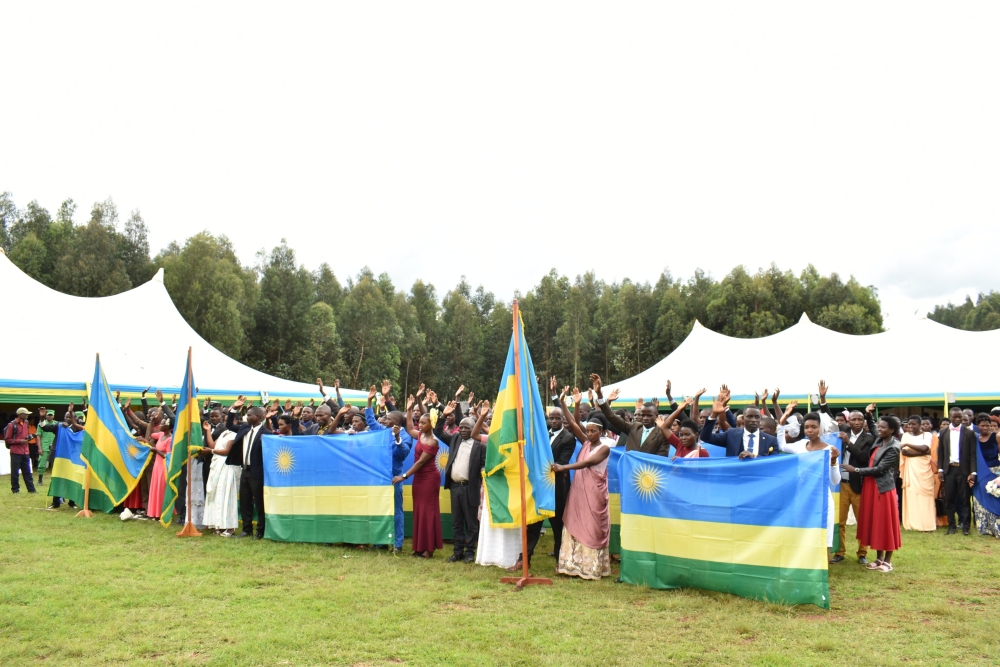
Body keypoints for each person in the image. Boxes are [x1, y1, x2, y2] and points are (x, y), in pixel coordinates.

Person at [552, 392, 611, 580]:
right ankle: (571, 565)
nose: (590, 434)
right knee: (574, 521)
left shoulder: (605, 448)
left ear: (601, 432)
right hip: (578, 490)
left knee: (591, 525)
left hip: (595, 493)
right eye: (588, 431)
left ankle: (590, 567)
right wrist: (564, 403)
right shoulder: (585, 441)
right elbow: (574, 423)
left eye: (594, 431)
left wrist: (564, 467)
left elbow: (588, 463)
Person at [842, 416, 902, 572]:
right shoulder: (880, 439)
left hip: (883, 488)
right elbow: (873, 427)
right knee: (876, 523)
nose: (879, 429)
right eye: (879, 427)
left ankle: (888, 561)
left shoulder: (894, 447)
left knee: (885, 523)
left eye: (883, 427)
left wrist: (855, 470)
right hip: (870, 486)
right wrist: (868, 415)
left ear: (892, 430)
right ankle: (879, 558)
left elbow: (879, 469)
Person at [780, 413, 840, 559]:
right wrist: (781, 424)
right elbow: (781, 445)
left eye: (814, 427)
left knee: (824, 535)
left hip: (822, 499)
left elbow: (835, 480)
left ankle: (823, 567)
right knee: (803, 531)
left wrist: (833, 462)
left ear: (820, 428)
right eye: (806, 427)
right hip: (802, 496)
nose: (810, 430)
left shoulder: (830, 449)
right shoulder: (800, 445)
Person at [393, 395, 442, 558]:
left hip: (429, 479)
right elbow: (408, 428)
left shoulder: (433, 441)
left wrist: (403, 476)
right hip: (419, 479)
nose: (419, 425)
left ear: (431, 424)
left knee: (428, 511)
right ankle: (420, 547)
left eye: (423, 423)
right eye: (419, 422)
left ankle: (429, 549)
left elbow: (420, 463)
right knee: (419, 511)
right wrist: (408, 409)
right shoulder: (420, 435)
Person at [437, 403, 486, 564]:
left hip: (470, 488)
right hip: (455, 487)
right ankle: (457, 551)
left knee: (471, 522)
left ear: (475, 429)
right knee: (457, 521)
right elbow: (438, 432)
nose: (463, 431)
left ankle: (469, 552)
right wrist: (443, 416)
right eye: (462, 428)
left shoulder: (481, 446)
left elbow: (484, 466)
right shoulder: (456, 438)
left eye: (467, 428)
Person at [831, 408, 875, 564]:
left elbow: (864, 458)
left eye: (860, 419)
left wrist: (848, 443)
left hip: (858, 485)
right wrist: (823, 399)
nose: (857, 422)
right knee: (839, 520)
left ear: (864, 422)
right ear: (848, 421)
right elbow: (829, 417)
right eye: (854, 419)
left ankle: (862, 553)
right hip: (841, 484)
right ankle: (839, 552)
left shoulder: (869, 439)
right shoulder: (843, 431)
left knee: (862, 521)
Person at [590, 374, 671, 456]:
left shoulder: (662, 434)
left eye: (649, 416)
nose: (645, 418)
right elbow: (612, 417)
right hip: (628, 468)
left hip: (647, 469)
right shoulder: (634, 427)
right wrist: (599, 395)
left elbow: (661, 459)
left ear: (656, 416)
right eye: (643, 415)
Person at [699, 388, 780, 458]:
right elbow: (706, 437)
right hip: (735, 475)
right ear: (743, 418)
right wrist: (714, 414)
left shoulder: (771, 440)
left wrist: (754, 457)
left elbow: (773, 462)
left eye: (757, 417)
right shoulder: (731, 435)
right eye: (750, 416)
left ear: (760, 419)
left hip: (760, 475)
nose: (753, 420)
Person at [228, 404, 270, 539]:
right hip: (244, 470)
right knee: (245, 501)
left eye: (249, 415)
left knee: (259, 502)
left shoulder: (267, 433)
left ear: (257, 417)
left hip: (258, 472)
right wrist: (233, 409)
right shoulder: (244, 429)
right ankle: (246, 530)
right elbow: (229, 425)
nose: (246, 417)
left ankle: (260, 531)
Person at [937, 406, 978, 535]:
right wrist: (940, 469)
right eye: (954, 417)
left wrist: (973, 472)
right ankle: (952, 526)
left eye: (959, 417)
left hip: (963, 470)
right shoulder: (943, 432)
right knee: (949, 499)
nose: (957, 419)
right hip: (949, 470)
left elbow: (972, 454)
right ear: (950, 417)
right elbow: (941, 452)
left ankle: (966, 527)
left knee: (965, 499)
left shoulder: (969, 433)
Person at [202, 419, 240, 536]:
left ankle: (230, 527)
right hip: (216, 465)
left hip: (226, 466)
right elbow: (213, 445)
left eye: (227, 419)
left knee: (226, 495)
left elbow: (227, 451)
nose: (225, 422)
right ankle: (218, 524)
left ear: (235, 421)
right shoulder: (223, 433)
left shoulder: (235, 435)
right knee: (216, 495)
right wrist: (208, 431)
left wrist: (211, 451)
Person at [899, 415, 937, 532]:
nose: (910, 426)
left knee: (926, 496)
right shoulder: (905, 435)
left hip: (924, 469)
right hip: (910, 468)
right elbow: (904, 452)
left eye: (913, 424)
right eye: (909, 424)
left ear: (920, 425)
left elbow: (926, 448)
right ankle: (912, 523)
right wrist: (923, 452)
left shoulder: (928, 435)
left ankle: (927, 524)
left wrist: (909, 445)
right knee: (911, 494)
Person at [971, 413, 1000, 537]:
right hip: (980, 472)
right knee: (980, 501)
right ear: (977, 426)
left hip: (995, 472)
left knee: (995, 499)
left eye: (988, 425)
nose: (986, 428)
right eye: (983, 425)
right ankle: (984, 528)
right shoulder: (974, 438)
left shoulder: (997, 437)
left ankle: (996, 528)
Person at [5, 408, 37, 494]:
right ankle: (15, 490)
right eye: (25, 414)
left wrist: (30, 437)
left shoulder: (26, 423)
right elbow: (8, 439)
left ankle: (31, 490)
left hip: (25, 451)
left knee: (28, 472)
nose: (27, 415)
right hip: (15, 452)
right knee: (15, 472)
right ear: (20, 415)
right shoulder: (12, 425)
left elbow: (25, 436)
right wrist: (20, 441)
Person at [35, 408, 58, 485]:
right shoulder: (41, 424)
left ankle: (54, 481)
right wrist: (39, 448)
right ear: (46, 416)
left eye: (51, 415)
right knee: (42, 464)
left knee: (56, 464)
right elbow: (38, 436)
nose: (50, 417)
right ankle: (40, 480)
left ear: (54, 416)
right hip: (44, 446)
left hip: (55, 447)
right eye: (48, 415)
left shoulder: (57, 424)